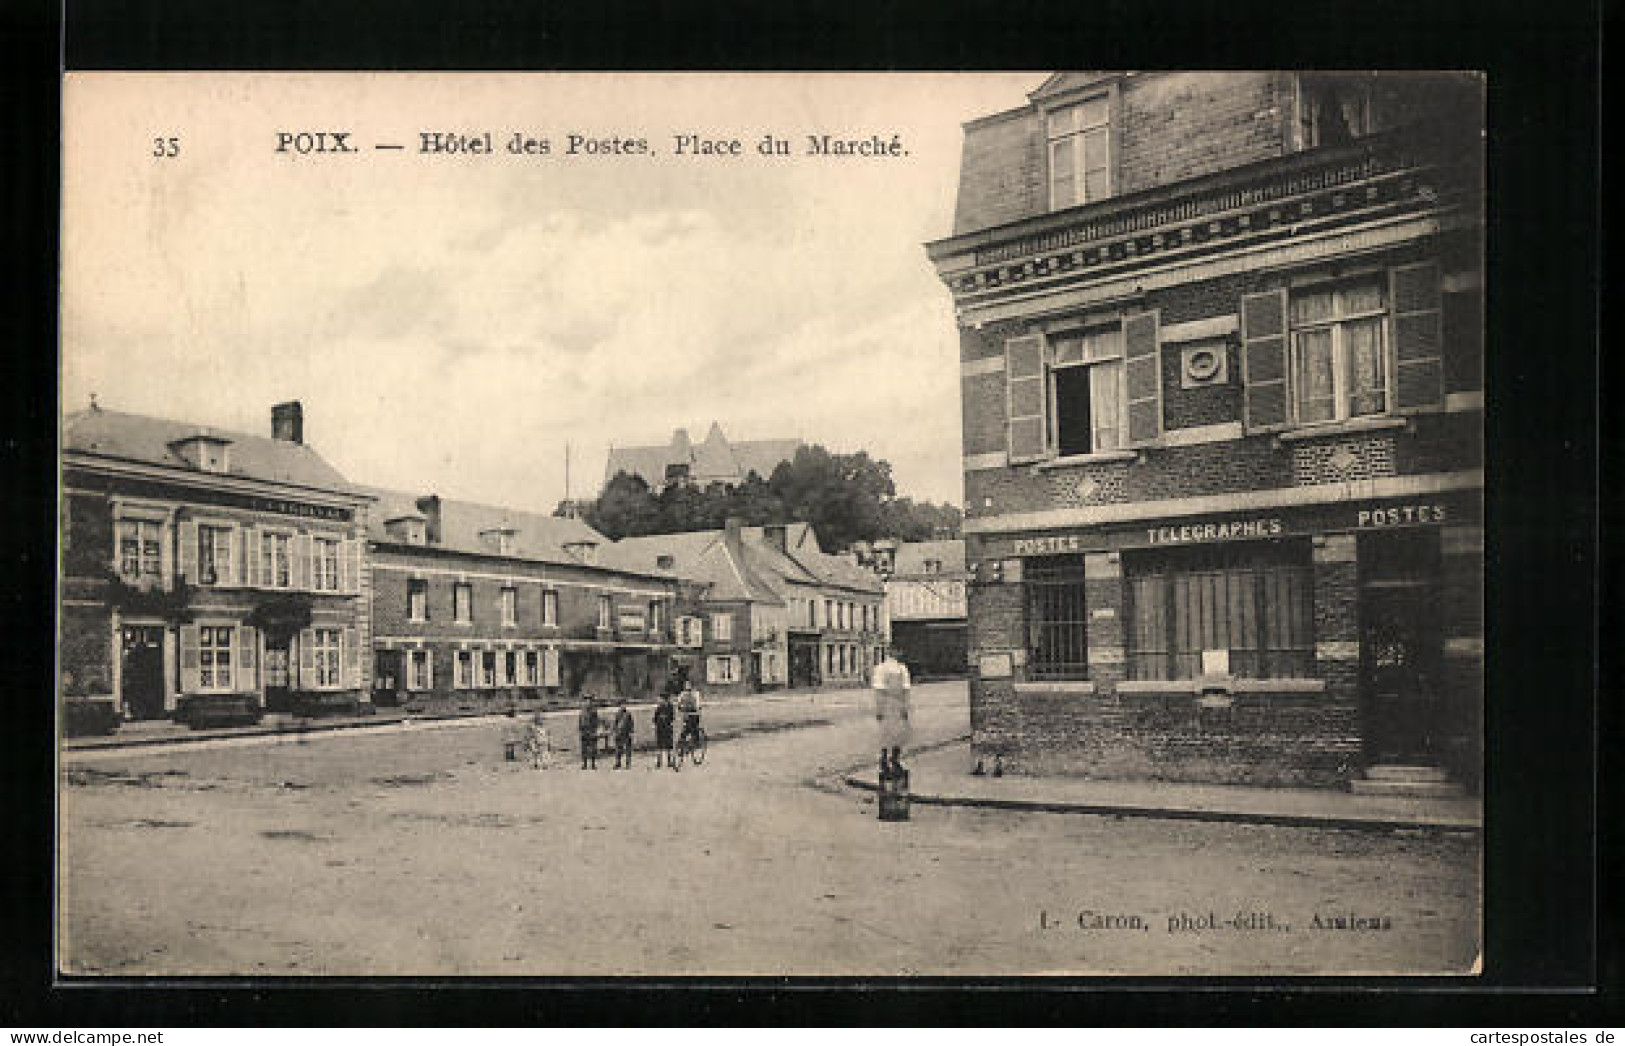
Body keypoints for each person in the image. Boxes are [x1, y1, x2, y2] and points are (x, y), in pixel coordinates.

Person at [870, 646, 913, 778]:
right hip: (887, 703)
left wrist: (905, 706)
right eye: (895, 651)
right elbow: (879, 690)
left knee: (899, 733)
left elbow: (906, 689)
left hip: (898, 703)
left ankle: (895, 759)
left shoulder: (902, 668)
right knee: (887, 732)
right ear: (889, 652)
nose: (898, 653)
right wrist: (879, 708)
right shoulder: (881, 668)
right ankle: (884, 760)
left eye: (899, 651)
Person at [677, 681, 703, 754]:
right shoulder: (682, 694)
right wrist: (680, 707)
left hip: (694, 714)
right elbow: (679, 702)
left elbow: (698, 703)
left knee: (694, 729)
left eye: (689, 686)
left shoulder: (696, 694)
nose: (687, 688)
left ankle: (696, 742)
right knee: (685, 730)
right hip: (686, 714)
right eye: (686, 686)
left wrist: (697, 708)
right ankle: (682, 746)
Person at [652, 691, 676, 768]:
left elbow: (672, 717)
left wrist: (664, 719)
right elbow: (655, 718)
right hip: (660, 728)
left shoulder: (669, 707)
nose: (659, 700)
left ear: (664, 699)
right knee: (659, 746)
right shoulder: (659, 707)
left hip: (667, 728)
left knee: (668, 746)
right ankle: (659, 762)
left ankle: (669, 762)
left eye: (660, 699)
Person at [577, 696, 600, 770]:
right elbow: (580, 722)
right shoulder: (582, 712)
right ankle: (584, 764)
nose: (588, 702)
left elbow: (596, 722)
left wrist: (595, 731)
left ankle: (593, 764)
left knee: (593, 749)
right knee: (584, 749)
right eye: (586, 701)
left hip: (591, 732)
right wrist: (580, 730)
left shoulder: (594, 712)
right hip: (584, 732)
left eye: (589, 701)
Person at [611, 701, 635, 770]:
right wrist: (614, 731)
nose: (623, 706)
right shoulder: (618, 714)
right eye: (622, 705)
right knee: (618, 749)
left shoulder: (628, 714)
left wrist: (631, 732)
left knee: (628, 749)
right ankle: (618, 763)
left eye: (624, 705)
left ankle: (628, 763)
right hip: (619, 733)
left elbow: (631, 723)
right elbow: (615, 723)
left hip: (627, 733)